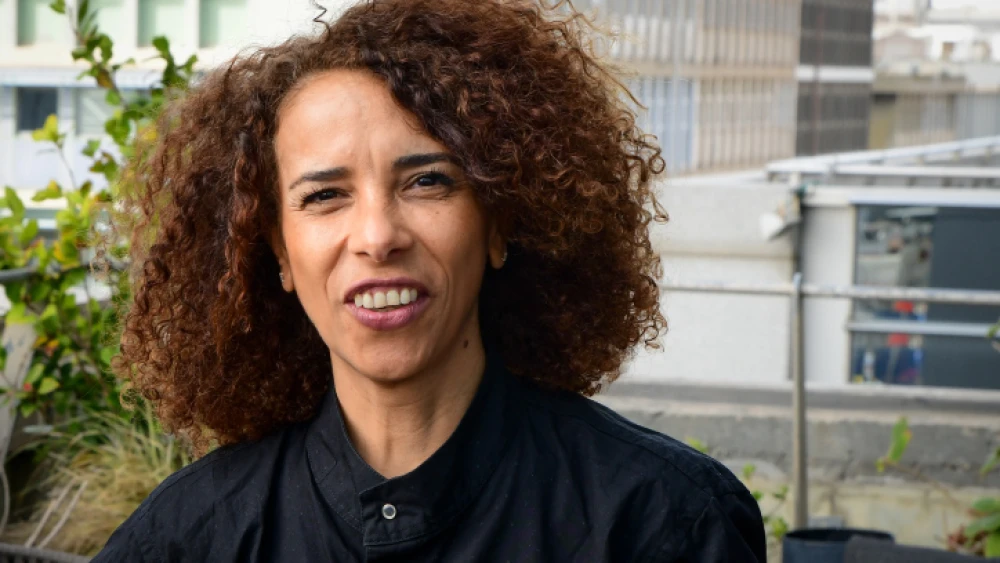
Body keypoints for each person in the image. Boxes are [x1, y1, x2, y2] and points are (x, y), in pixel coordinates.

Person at [94, 0, 766, 561]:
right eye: (325, 195)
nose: (377, 235)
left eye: (426, 182)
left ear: (499, 224)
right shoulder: (188, 537)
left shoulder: (663, 523)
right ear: (278, 254)